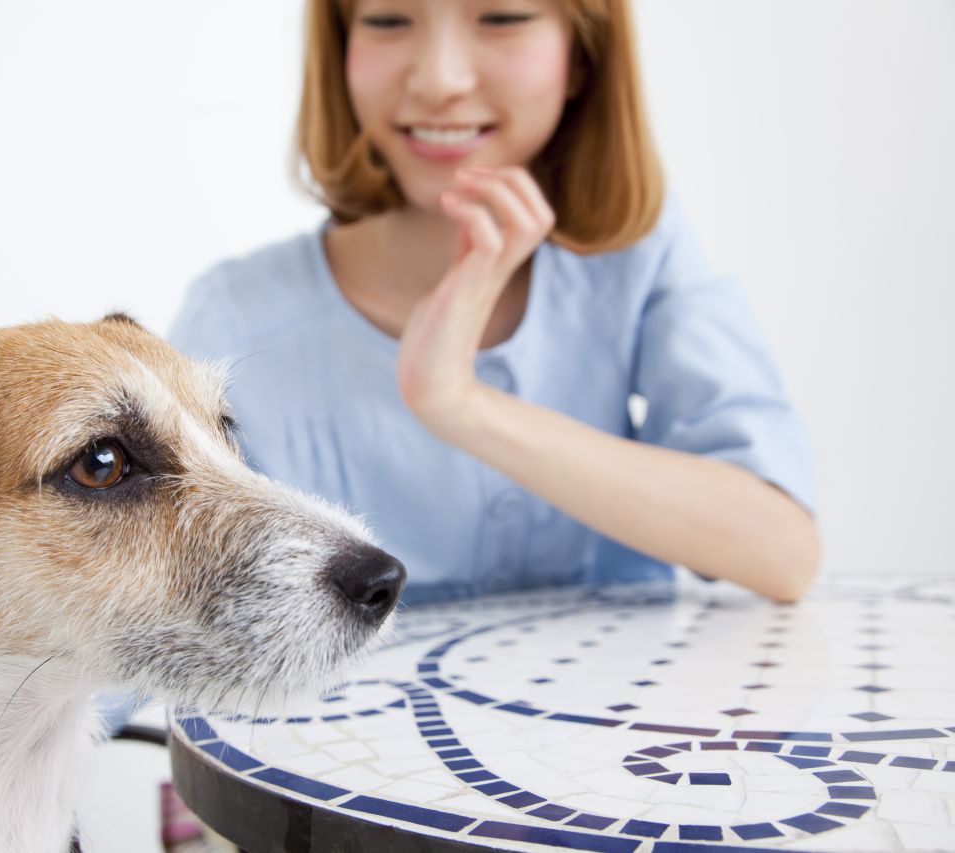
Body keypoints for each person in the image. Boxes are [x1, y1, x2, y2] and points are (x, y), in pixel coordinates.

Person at [169, 0, 820, 604]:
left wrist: (461, 404)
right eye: (389, 19)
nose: (439, 80)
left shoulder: (639, 254)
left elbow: (782, 552)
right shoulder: (235, 317)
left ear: (582, 59)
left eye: (503, 16)